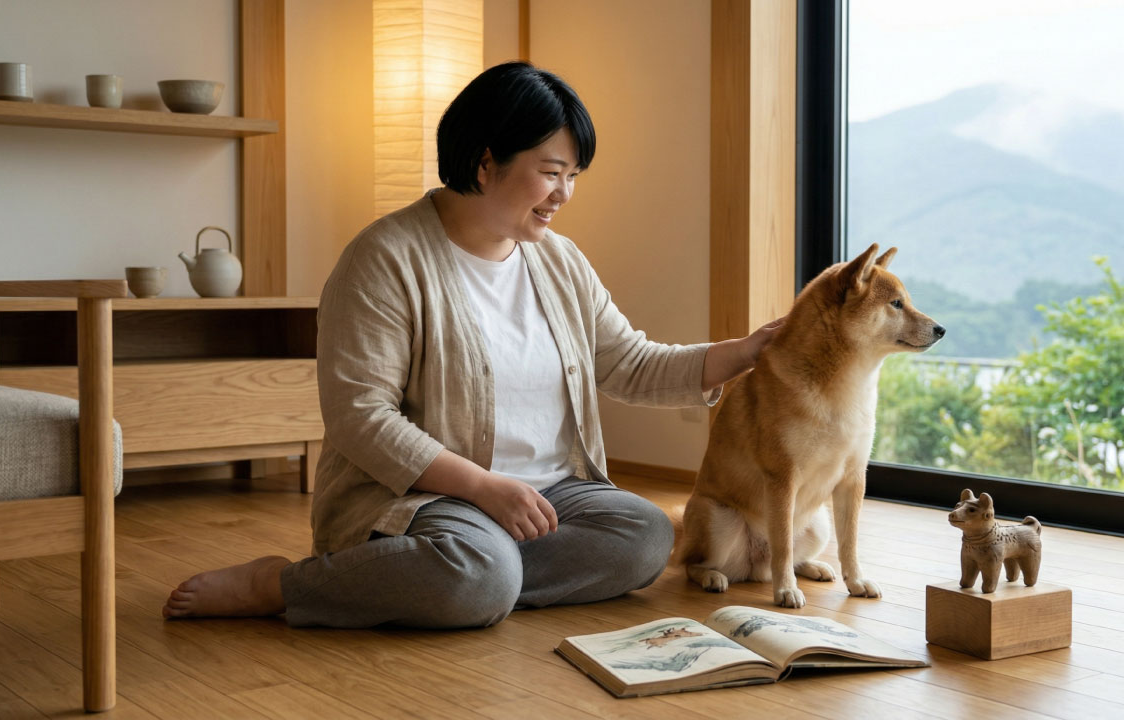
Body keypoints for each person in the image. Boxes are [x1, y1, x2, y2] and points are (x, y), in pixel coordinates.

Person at [162, 62, 780, 629]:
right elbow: (360, 419)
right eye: (550, 172)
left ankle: (465, 574)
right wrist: (484, 489)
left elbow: (627, 361)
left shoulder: (561, 261)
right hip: (423, 497)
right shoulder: (385, 258)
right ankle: (288, 584)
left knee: (644, 535)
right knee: (480, 572)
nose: (564, 194)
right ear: (486, 164)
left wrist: (747, 350)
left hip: (546, 492)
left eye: (574, 176)